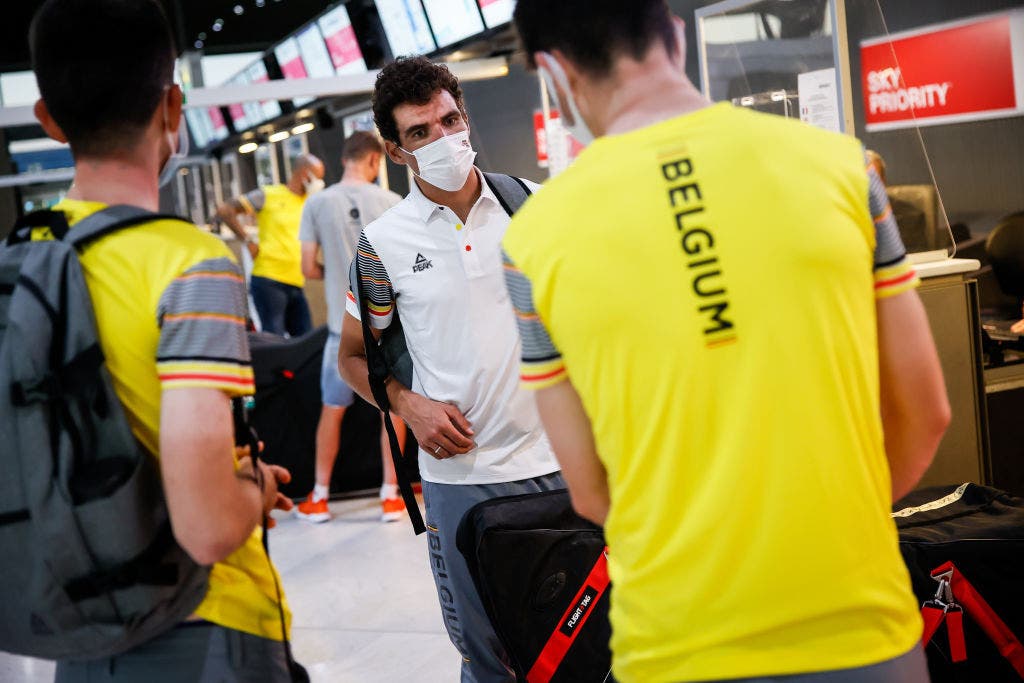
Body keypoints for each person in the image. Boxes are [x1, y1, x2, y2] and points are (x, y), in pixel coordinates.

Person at [503, 2, 951, 682]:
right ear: (676, 37)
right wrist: (833, 526)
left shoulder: (532, 243)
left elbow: (590, 490)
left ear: (553, 72)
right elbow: (926, 412)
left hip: (675, 642)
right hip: (860, 625)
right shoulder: (845, 169)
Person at [29, 0, 299, 680]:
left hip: (82, 632)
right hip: (204, 625)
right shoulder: (190, 262)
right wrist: (257, 486)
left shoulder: (24, 262)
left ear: (48, 119)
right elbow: (208, 528)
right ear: (172, 107)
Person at [337, 56, 563, 682]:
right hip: (463, 480)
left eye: (449, 120)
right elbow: (352, 357)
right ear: (395, 150)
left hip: (562, 463)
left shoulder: (535, 206)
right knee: (489, 659)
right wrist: (408, 405)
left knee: (587, 643)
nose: (443, 138)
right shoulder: (382, 245)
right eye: (420, 131)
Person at [295, 131, 408, 523]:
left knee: (332, 409)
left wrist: (341, 278)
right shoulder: (392, 202)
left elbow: (307, 267)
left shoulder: (316, 203)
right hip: (387, 330)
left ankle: (320, 496)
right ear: (375, 160)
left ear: (344, 159)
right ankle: (391, 495)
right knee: (392, 408)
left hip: (339, 331)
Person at [216, 153, 325, 337]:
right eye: (318, 177)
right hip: (269, 280)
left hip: (296, 282)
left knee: (306, 340)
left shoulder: (310, 204)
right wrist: (247, 240)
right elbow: (225, 210)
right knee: (274, 341)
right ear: (304, 174)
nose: (320, 183)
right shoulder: (269, 194)